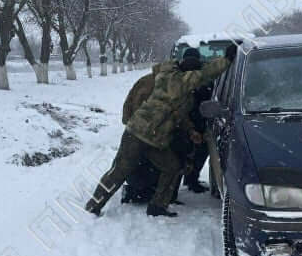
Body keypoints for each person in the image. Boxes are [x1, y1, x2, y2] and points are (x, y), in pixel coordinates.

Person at [86, 43, 237, 218]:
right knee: (120, 171)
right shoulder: (169, 76)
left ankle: (157, 206)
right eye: (189, 63)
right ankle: (94, 206)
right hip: (137, 133)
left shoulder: (184, 91)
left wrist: (191, 131)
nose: (192, 68)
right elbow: (202, 75)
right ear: (181, 63)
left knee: (172, 167)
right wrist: (226, 60)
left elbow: (179, 115)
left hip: (156, 140)